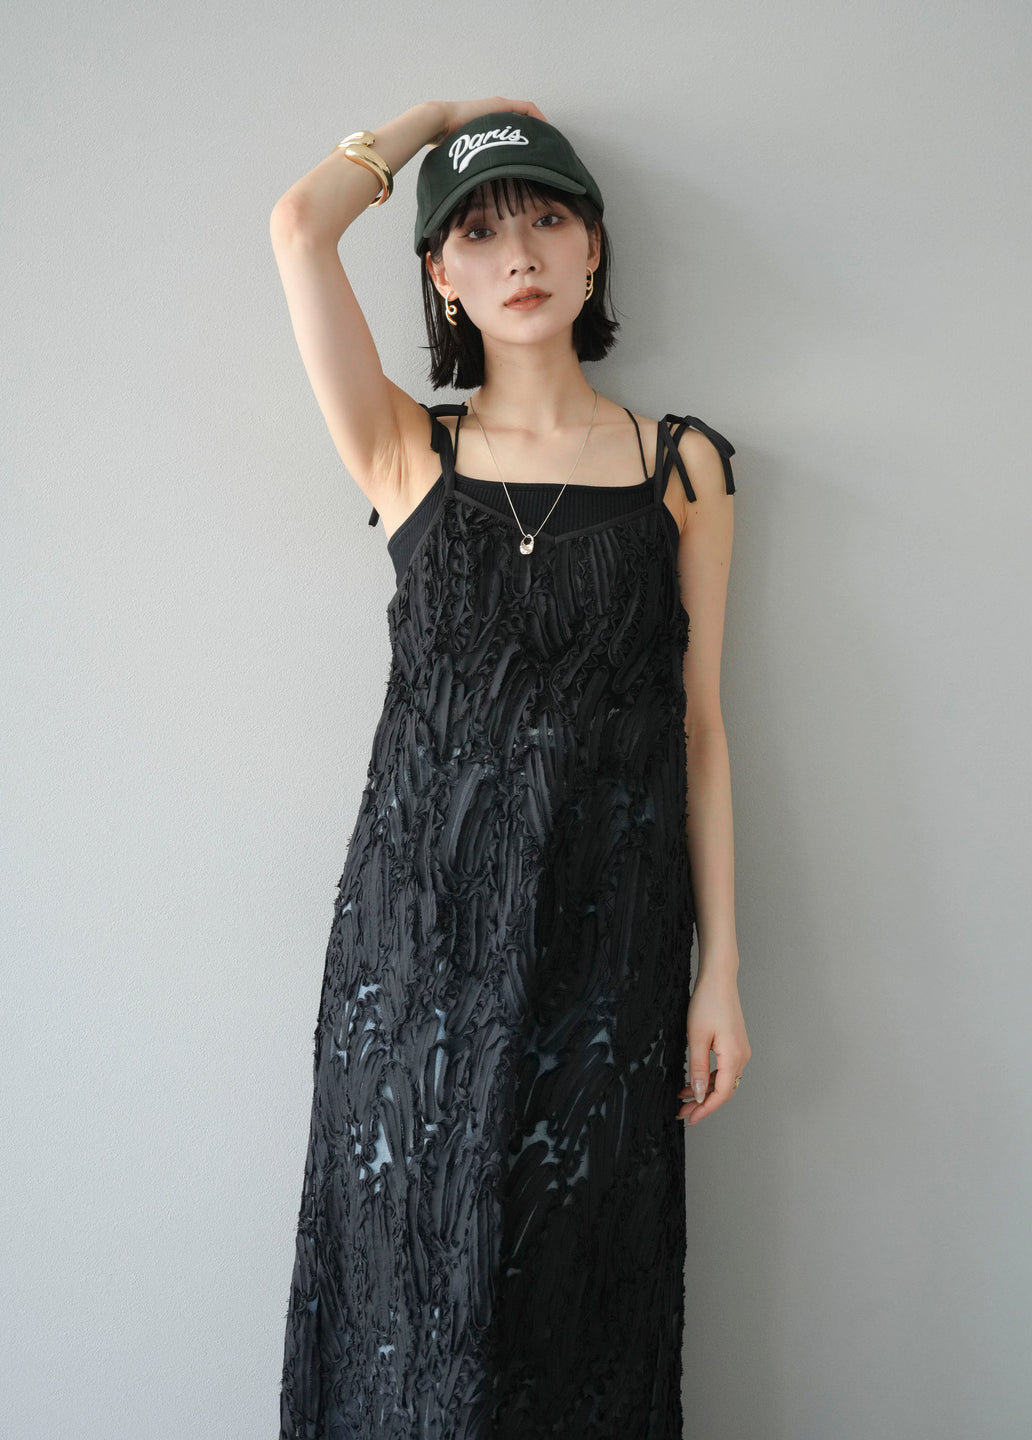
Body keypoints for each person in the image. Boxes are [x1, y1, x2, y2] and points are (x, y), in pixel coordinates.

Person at [269, 95, 751, 1440]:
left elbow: (701, 728)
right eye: (477, 232)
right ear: (441, 275)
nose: (519, 252)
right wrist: (437, 122)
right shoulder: (406, 451)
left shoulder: (680, 468)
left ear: (594, 249)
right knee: (404, 1318)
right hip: (412, 966)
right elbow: (298, 228)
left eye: (547, 217)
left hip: (606, 966)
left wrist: (719, 970)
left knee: (573, 1309)